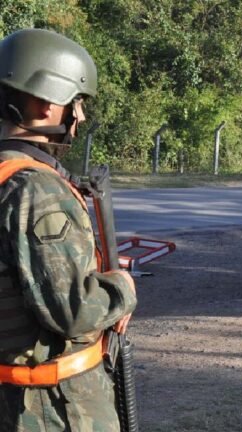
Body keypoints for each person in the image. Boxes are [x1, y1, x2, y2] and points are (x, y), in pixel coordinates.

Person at [0, 28, 137, 431]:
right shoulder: (35, 188)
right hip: (49, 408)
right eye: (75, 103)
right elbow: (73, 310)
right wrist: (122, 288)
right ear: (46, 102)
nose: (79, 117)